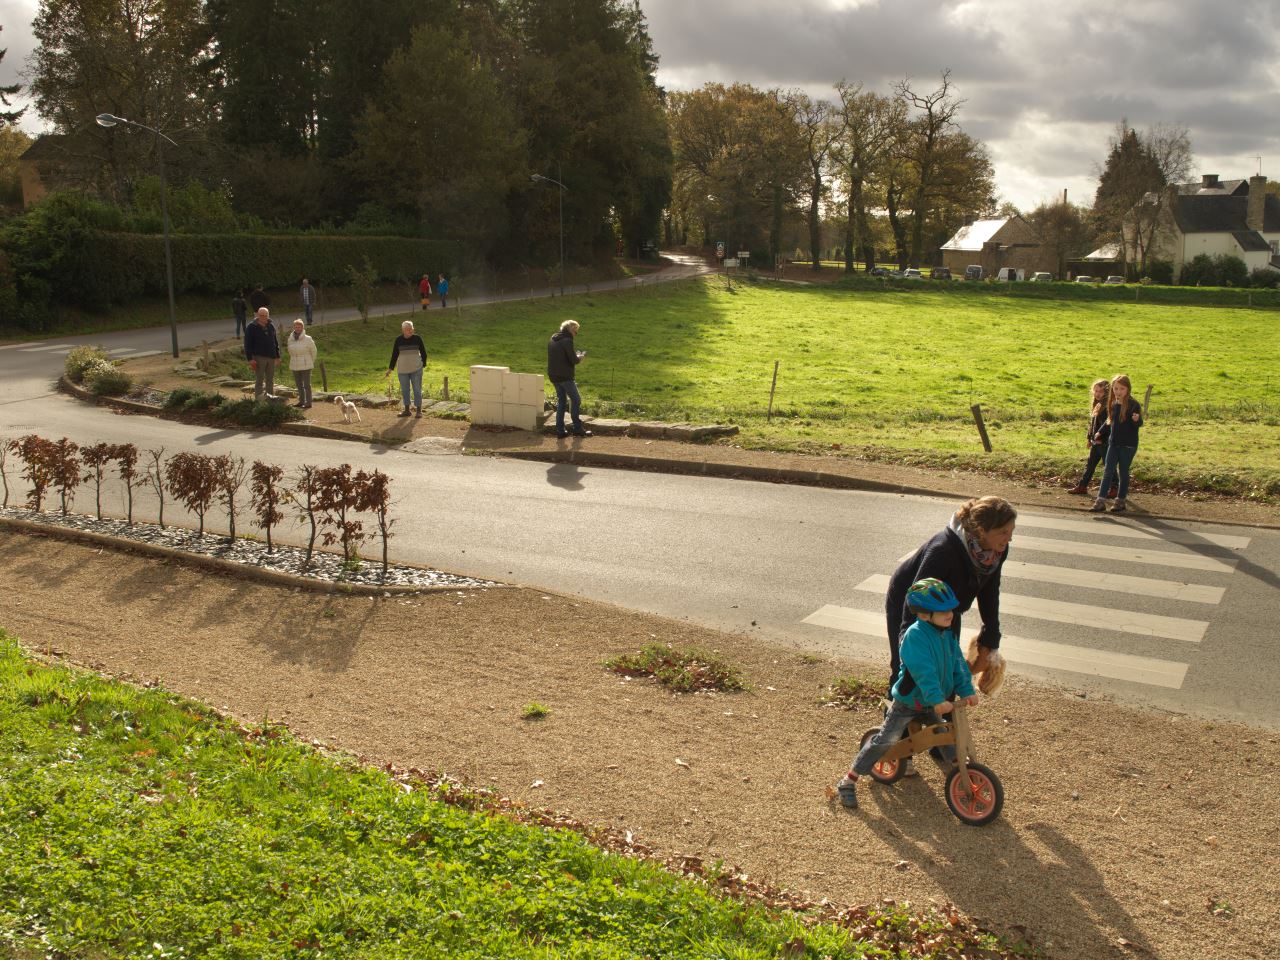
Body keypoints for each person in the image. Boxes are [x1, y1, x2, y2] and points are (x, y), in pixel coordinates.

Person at [836, 578, 978, 809]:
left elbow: (958, 665)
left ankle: (959, 771)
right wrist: (938, 700)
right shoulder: (915, 637)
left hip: (932, 703)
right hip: (909, 701)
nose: (950, 614)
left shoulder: (947, 635)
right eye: (942, 611)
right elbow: (924, 673)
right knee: (887, 741)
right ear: (924, 615)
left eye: (950, 608)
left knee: (945, 733)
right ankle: (848, 780)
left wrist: (967, 691)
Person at [885, 495, 1014, 731]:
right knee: (907, 674)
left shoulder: (995, 552)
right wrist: (908, 641)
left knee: (949, 672)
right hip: (912, 604)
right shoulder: (943, 550)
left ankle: (942, 743)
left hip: (947, 609)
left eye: (1011, 531)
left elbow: (989, 591)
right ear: (982, 530)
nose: (1009, 538)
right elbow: (913, 596)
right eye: (1003, 532)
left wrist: (991, 636)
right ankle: (893, 742)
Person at [1092, 374, 1143, 514]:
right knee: (1108, 471)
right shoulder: (1113, 403)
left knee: (1123, 472)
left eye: (1122, 389)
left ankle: (1120, 500)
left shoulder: (1134, 404)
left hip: (1128, 445)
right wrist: (1100, 432)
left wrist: (1136, 419)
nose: (1118, 392)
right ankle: (1100, 501)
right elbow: (1110, 421)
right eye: (1116, 388)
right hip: (1113, 443)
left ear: (1128, 389)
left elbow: (1138, 424)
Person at [546, 319, 592, 438]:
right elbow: (574, 360)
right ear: (571, 330)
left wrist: (573, 355)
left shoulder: (553, 338)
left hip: (553, 376)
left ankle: (560, 431)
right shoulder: (567, 340)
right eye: (576, 332)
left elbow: (561, 356)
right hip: (565, 377)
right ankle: (577, 428)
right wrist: (580, 357)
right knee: (576, 400)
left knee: (562, 401)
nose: (575, 335)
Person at [1068, 379, 1111, 496]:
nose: (1097, 394)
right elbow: (1093, 424)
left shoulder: (1107, 407)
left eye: (1100, 392)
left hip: (1104, 441)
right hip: (1095, 441)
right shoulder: (1097, 404)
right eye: (1095, 391)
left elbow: (1107, 424)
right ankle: (1082, 486)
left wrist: (1101, 437)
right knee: (1090, 464)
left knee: (1108, 465)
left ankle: (1115, 487)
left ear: (1106, 393)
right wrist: (1089, 438)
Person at [385, 319, 427, 417]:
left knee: (417, 389)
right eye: (408, 329)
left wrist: (422, 364)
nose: (410, 331)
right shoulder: (398, 340)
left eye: (411, 328)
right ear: (403, 330)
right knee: (405, 390)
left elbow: (424, 353)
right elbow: (394, 355)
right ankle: (407, 410)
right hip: (402, 370)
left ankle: (419, 411)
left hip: (416, 369)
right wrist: (390, 369)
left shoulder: (418, 338)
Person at [244, 307, 281, 401]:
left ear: (268, 315)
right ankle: (259, 399)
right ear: (257, 315)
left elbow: (275, 342)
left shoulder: (271, 325)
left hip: (271, 357)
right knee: (259, 379)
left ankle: (270, 399)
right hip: (259, 357)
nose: (263, 317)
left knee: (270, 380)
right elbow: (247, 343)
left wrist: (277, 356)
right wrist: (250, 359)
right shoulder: (251, 327)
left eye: (265, 315)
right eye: (261, 315)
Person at [286, 318, 317, 409]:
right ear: (294, 327)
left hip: (306, 364)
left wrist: (310, 361)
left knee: (307, 385)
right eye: (296, 326)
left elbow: (314, 351)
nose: (297, 328)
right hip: (294, 364)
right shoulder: (290, 339)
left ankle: (308, 402)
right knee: (299, 384)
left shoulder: (308, 338)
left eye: (299, 327)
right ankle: (301, 401)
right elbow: (289, 351)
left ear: (302, 327)